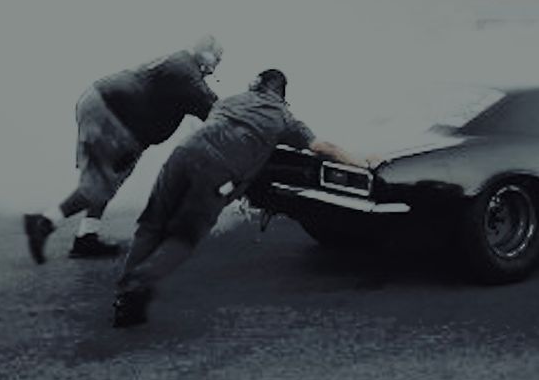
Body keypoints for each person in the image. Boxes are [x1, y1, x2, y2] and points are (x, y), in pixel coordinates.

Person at [111, 68, 361, 327]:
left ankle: (124, 294)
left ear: (256, 83)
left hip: (182, 155)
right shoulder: (284, 118)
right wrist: (361, 163)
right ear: (282, 93)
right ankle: (137, 284)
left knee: (151, 223)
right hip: (217, 171)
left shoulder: (230, 101)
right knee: (184, 236)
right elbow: (322, 147)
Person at [23, 35, 222, 261]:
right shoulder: (186, 73)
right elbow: (212, 107)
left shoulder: (181, 64)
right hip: (113, 113)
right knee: (102, 181)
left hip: (115, 114)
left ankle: (86, 236)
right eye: (216, 58)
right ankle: (45, 223)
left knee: (110, 178)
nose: (215, 66)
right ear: (205, 54)